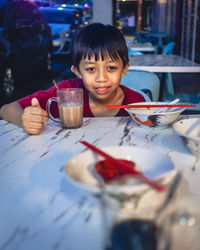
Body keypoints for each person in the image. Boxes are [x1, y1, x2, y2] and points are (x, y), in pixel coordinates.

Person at [0, 23, 146, 135]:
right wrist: (24, 120)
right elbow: (6, 109)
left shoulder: (136, 102)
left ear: (124, 69)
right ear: (77, 71)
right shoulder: (65, 93)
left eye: (111, 68)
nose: (101, 78)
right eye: (90, 69)